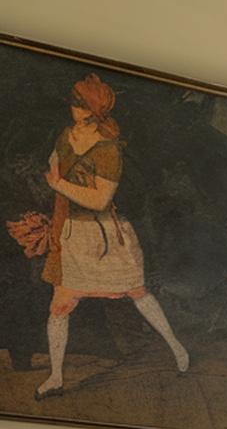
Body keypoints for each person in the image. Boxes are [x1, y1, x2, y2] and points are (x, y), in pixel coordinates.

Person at [31, 73, 189, 399]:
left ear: (91, 108)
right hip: (74, 234)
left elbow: (100, 199)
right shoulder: (66, 135)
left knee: (138, 293)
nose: (73, 109)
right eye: (73, 102)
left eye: (78, 103)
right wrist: (58, 185)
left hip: (105, 237)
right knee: (59, 306)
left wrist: (60, 185)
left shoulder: (108, 148)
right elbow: (53, 165)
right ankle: (56, 378)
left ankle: (177, 347)